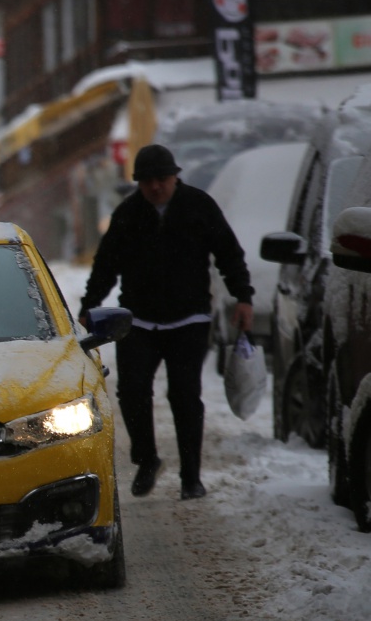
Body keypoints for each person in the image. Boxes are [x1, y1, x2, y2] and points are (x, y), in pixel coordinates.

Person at [79, 143, 253, 501]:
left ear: (175, 177)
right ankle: (147, 459)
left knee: (185, 395)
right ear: (138, 183)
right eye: (147, 181)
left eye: (162, 179)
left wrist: (243, 296)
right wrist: (89, 304)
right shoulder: (128, 214)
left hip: (189, 320)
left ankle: (191, 478)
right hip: (139, 321)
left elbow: (229, 253)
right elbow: (106, 264)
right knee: (132, 391)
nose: (155, 186)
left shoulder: (199, 206)